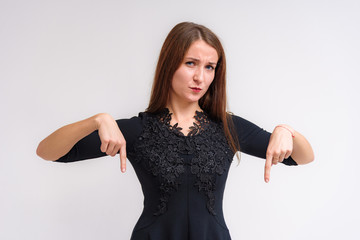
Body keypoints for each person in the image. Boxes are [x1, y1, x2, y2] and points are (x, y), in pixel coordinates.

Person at [36, 22, 314, 240]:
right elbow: (48, 152)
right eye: (190, 63)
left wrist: (285, 130)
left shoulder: (228, 127)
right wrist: (96, 120)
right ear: (170, 64)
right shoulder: (138, 130)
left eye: (209, 67)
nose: (200, 77)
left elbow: (303, 157)